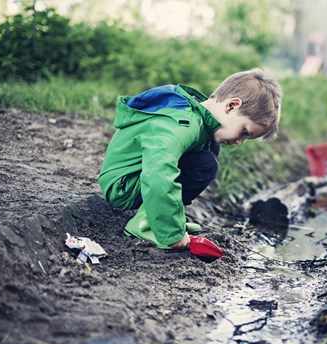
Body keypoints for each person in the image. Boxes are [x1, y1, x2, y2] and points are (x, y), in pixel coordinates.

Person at [98, 68, 282, 249]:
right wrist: (171, 233)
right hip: (122, 185)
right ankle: (146, 224)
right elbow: (158, 172)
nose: (239, 142)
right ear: (231, 106)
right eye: (244, 131)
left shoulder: (201, 121)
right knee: (204, 164)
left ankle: (160, 217)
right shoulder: (183, 124)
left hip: (136, 178)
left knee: (208, 154)